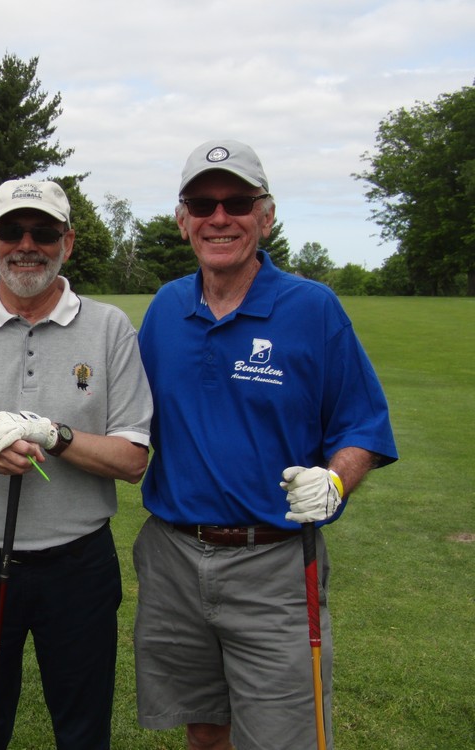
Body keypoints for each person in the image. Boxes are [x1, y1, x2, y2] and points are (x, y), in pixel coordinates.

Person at [132, 139, 398, 750]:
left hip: (274, 565)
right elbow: (128, 418)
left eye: (237, 202)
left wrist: (336, 480)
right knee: (204, 730)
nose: (219, 217)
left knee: (284, 738)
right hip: (173, 560)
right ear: (182, 220)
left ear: (267, 216)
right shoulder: (166, 308)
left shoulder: (313, 308)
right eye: (203, 204)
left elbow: (361, 425)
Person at [0, 179, 153, 749]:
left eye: (43, 232)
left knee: (83, 728)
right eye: (11, 232)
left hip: (80, 564)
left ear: (67, 241)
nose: (27, 245)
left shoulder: (109, 328)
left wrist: (54, 434)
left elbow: (132, 458)